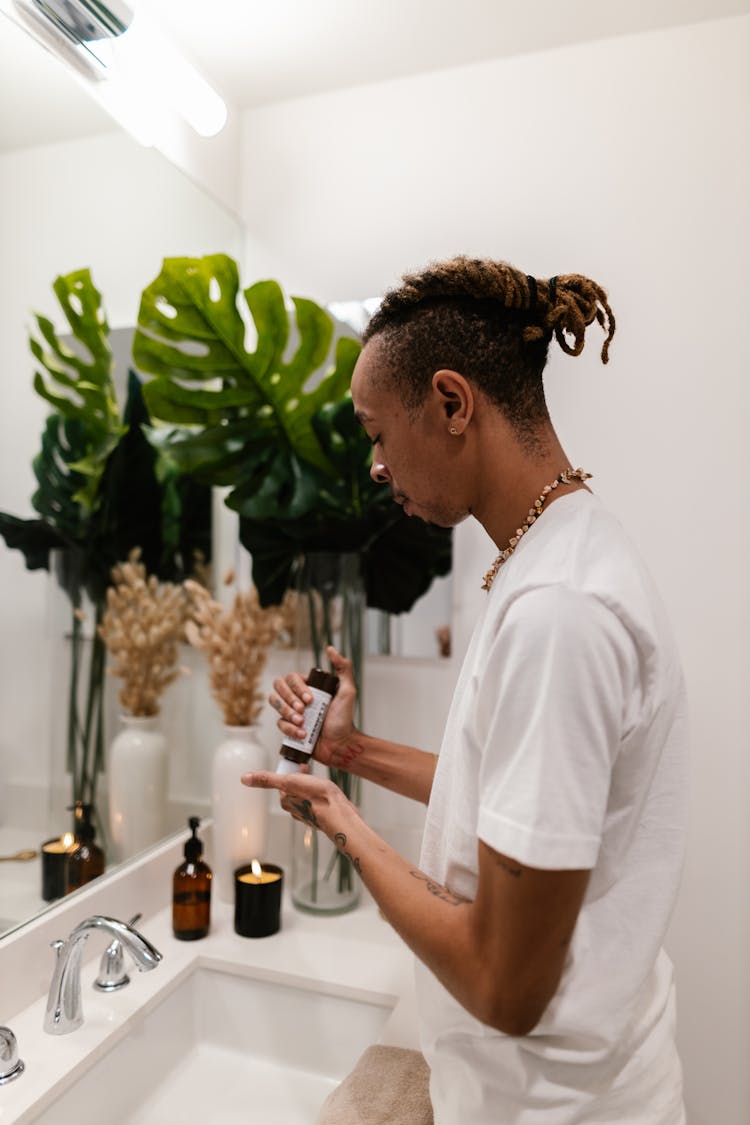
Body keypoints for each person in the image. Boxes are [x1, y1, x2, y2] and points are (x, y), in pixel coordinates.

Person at [242, 256, 689, 1123]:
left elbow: (504, 983)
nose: (374, 466)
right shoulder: (554, 556)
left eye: (376, 433)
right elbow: (512, 792)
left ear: (452, 403)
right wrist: (351, 752)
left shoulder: (559, 610)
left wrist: (343, 821)